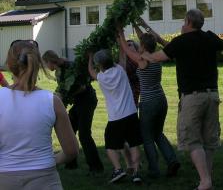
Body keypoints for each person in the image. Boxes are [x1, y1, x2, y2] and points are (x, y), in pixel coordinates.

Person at [141, 9, 223, 190]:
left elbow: (158, 56)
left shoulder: (181, 42)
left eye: (183, 21)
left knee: (192, 140)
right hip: (212, 95)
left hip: (192, 98)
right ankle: (207, 179)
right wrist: (146, 28)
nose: (181, 24)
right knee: (209, 141)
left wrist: (144, 55)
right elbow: (220, 45)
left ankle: (205, 181)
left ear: (188, 22)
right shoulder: (209, 38)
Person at [0, 40, 79, 190]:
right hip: (45, 179)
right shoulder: (52, 101)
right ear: (38, 65)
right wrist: (49, 160)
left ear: (9, 66)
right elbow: (71, 151)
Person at [117, 21, 180, 179]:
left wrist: (120, 33)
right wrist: (134, 24)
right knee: (158, 133)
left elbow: (125, 49)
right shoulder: (156, 56)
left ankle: (154, 169)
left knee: (147, 136)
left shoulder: (142, 60)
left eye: (140, 44)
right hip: (161, 99)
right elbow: (145, 39)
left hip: (148, 103)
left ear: (142, 46)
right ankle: (172, 160)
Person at [42, 50, 104, 175]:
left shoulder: (72, 67)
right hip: (77, 103)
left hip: (87, 101)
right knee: (70, 129)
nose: (47, 68)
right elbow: (63, 88)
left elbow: (82, 87)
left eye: (46, 64)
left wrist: (65, 95)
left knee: (84, 134)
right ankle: (71, 164)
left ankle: (96, 167)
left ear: (50, 61)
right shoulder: (60, 70)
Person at [88, 49, 143, 184]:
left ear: (99, 65)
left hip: (115, 118)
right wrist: (120, 41)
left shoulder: (101, 77)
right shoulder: (120, 69)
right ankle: (136, 173)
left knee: (111, 146)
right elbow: (123, 56)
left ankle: (118, 169)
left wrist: (89, 58)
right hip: (131, 114)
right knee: (134, 144)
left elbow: (91, 71)